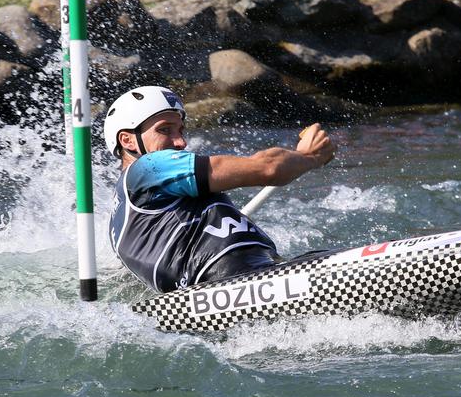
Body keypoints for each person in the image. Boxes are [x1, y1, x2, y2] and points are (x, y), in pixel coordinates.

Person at [104, 85, 336, 293]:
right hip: (229, 283)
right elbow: (269, 168)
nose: (181, 142)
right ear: (127, 140)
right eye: (165, 130)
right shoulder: (146, 169)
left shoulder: (130, 214)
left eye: (181, 130)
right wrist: (310, 156)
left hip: (260, 274)